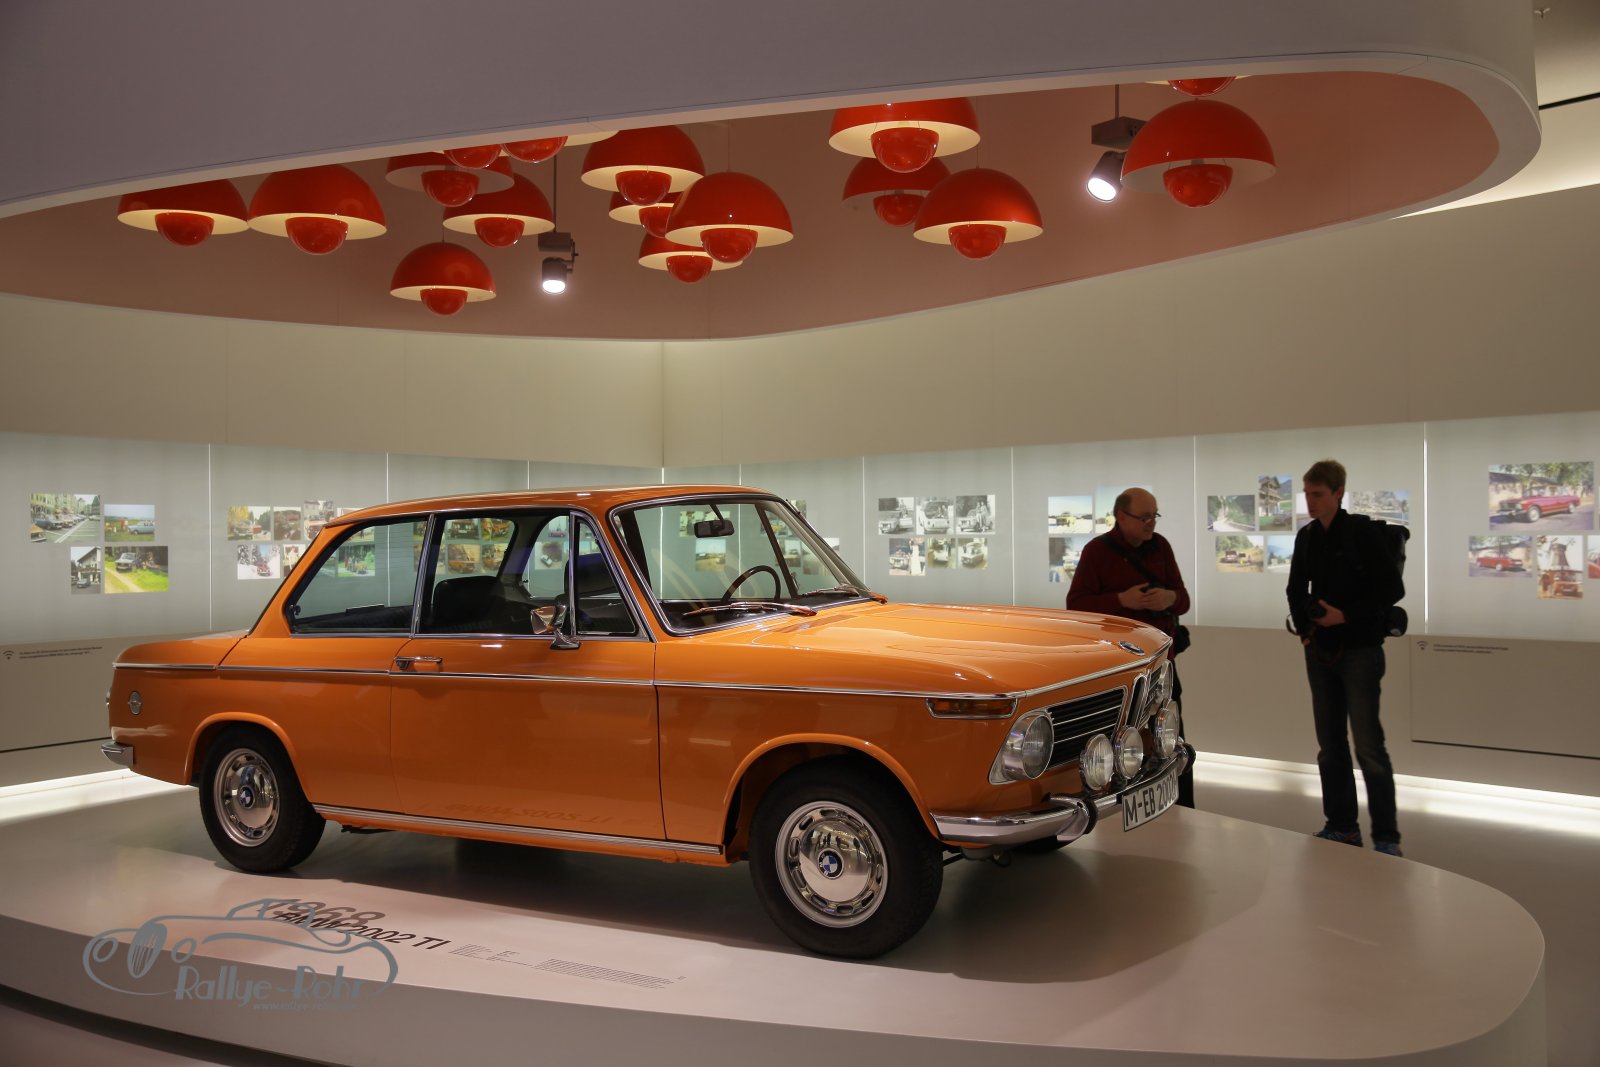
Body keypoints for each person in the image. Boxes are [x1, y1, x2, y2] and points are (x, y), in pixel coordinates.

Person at [1286, 459, 1406, 857]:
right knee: (1330, 745)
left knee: (1369, 747)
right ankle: (1342, 827)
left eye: (1318, 494)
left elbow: (1392, 589)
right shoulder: (1307, 537)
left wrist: (1346, 615)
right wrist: (1307, 631)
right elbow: (1294, 589)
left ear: (1338, 493)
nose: (1311, 502)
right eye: (1307, 494)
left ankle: (1386, 837)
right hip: (1320, 650)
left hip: (1361, 650)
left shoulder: (1362, 534)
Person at [1066, 488, 1193, 808]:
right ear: (1121, 517)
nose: (1151, 523)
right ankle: (1123, 806)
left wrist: (1169, 598)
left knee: (1171, 736)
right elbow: (1076, 605)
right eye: (1144, 517)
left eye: (1154, 516)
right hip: (1118, 668)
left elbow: (1183, 600)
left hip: (1162, 663)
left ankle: (1180, 806)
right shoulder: (1097, 552)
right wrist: (1122, 600)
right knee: (1124, 743)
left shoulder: (1161, 547)